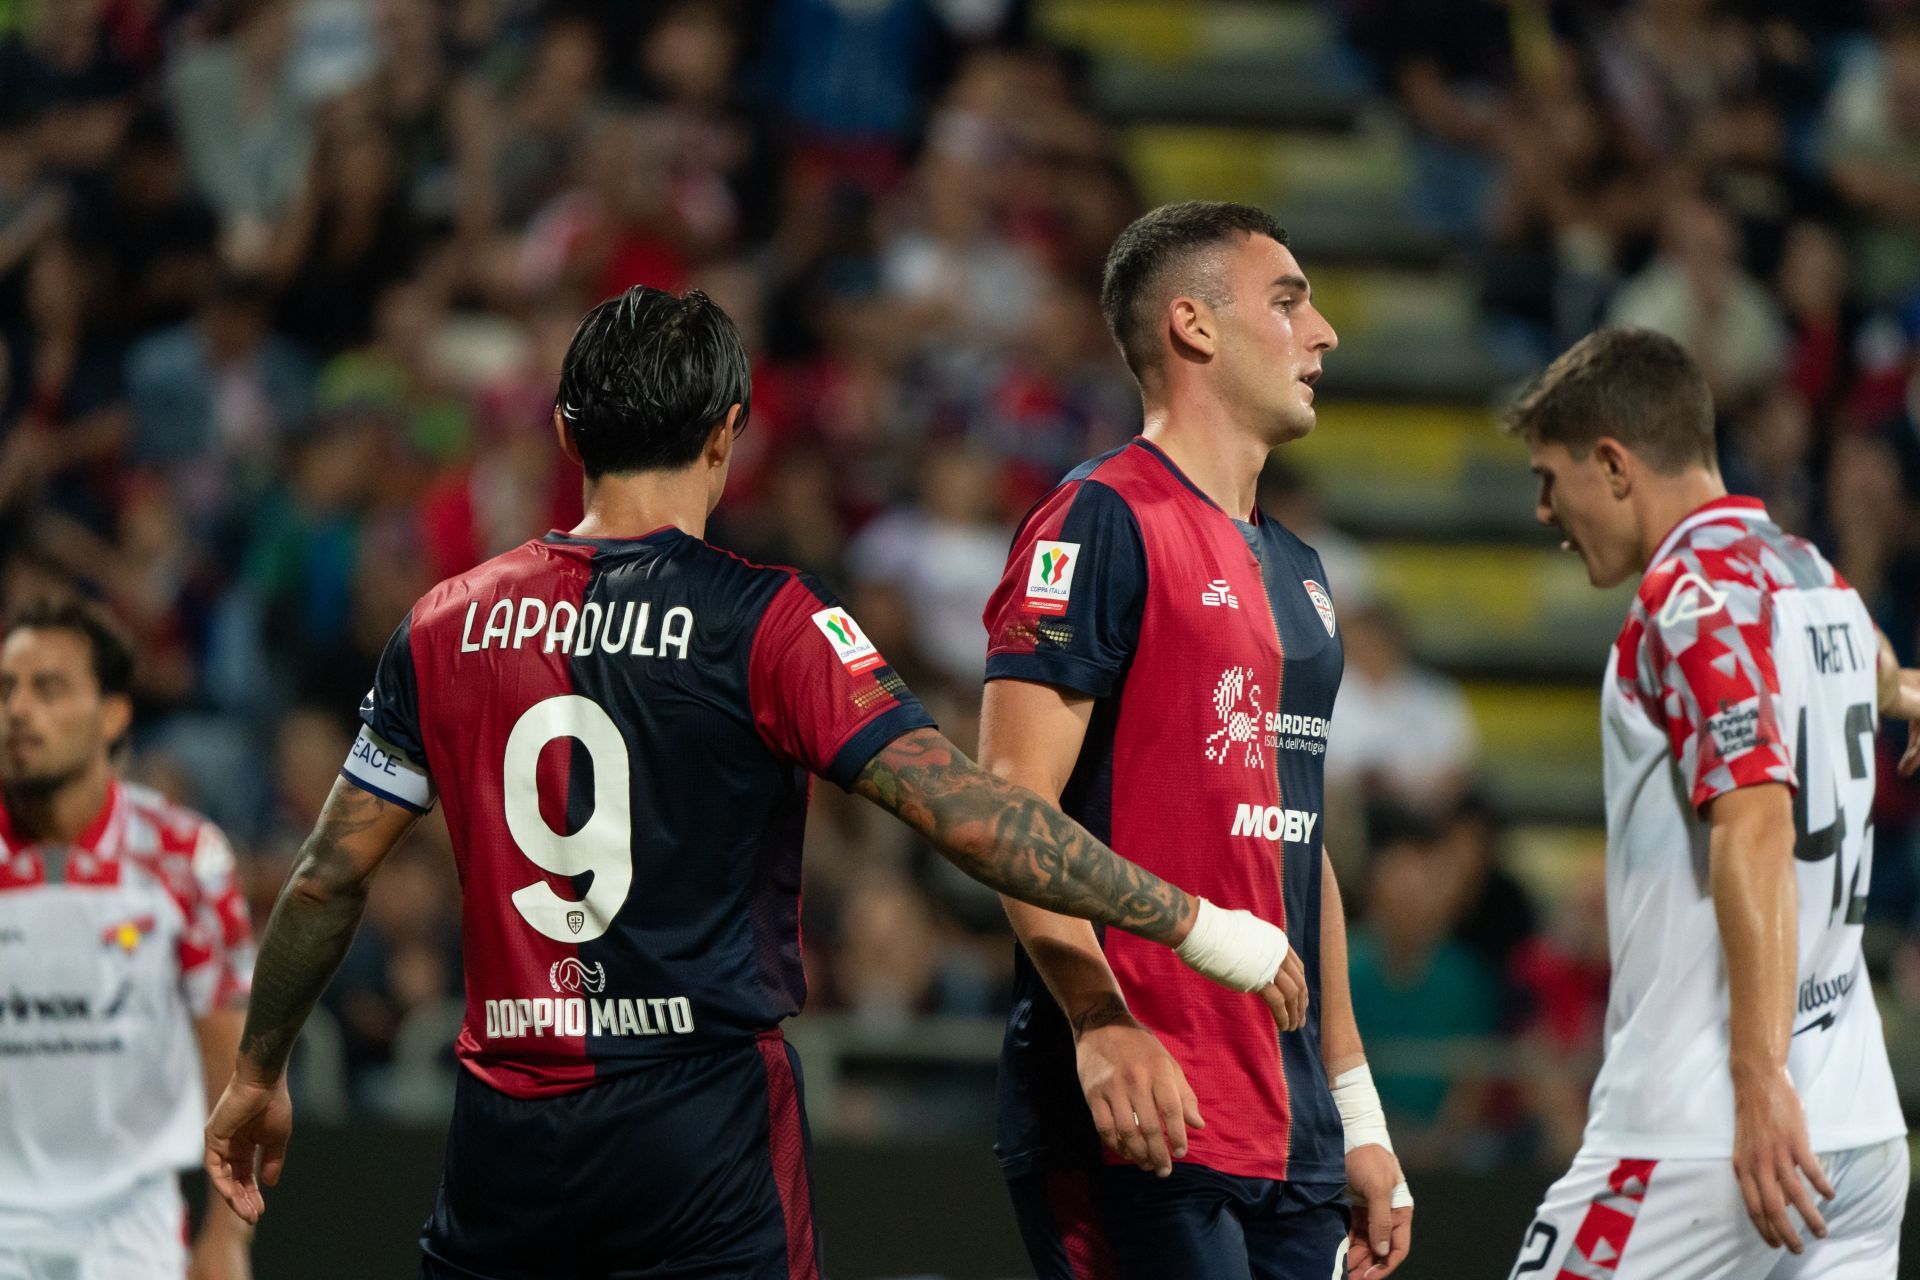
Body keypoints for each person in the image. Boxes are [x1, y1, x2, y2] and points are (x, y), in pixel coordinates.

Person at [201, 285, 1308, 1280]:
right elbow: (971, 815)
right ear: (730, 432)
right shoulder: (770, 620)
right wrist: (1195, 921)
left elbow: (324, 879)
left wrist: (258, 1069)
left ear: (564, 431)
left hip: (506, 1135)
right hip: (701, 1129)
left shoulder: (444, 621)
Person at [980, 201, 1412, 1280]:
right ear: (1194, 326)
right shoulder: (1099, 520)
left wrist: (1354, 1104)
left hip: (1289, 1120)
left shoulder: (1305, 574)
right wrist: (1097, 1020)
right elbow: (1007, 803)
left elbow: (1294, 846)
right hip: (1140, 1104)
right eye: (1288, 300)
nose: (1324, 334)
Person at [1501, 327, 1919, 1279]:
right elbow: (1873, 669)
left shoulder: (1682, 602)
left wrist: (1757, 1077)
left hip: (1704, 1135)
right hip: (1857, 1134)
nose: (1541, 510)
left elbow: (1758, 818)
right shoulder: (1817, 578)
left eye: (1548, 478)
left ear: (1612, 466)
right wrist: (1901, 693)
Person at [0, 600, 256, 1280]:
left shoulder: (184, 859)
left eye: (48, 688)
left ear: (113, 714)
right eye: (6, 690)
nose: (18, 710)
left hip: (131, 1237)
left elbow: (233, 1063)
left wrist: (226, 1239)